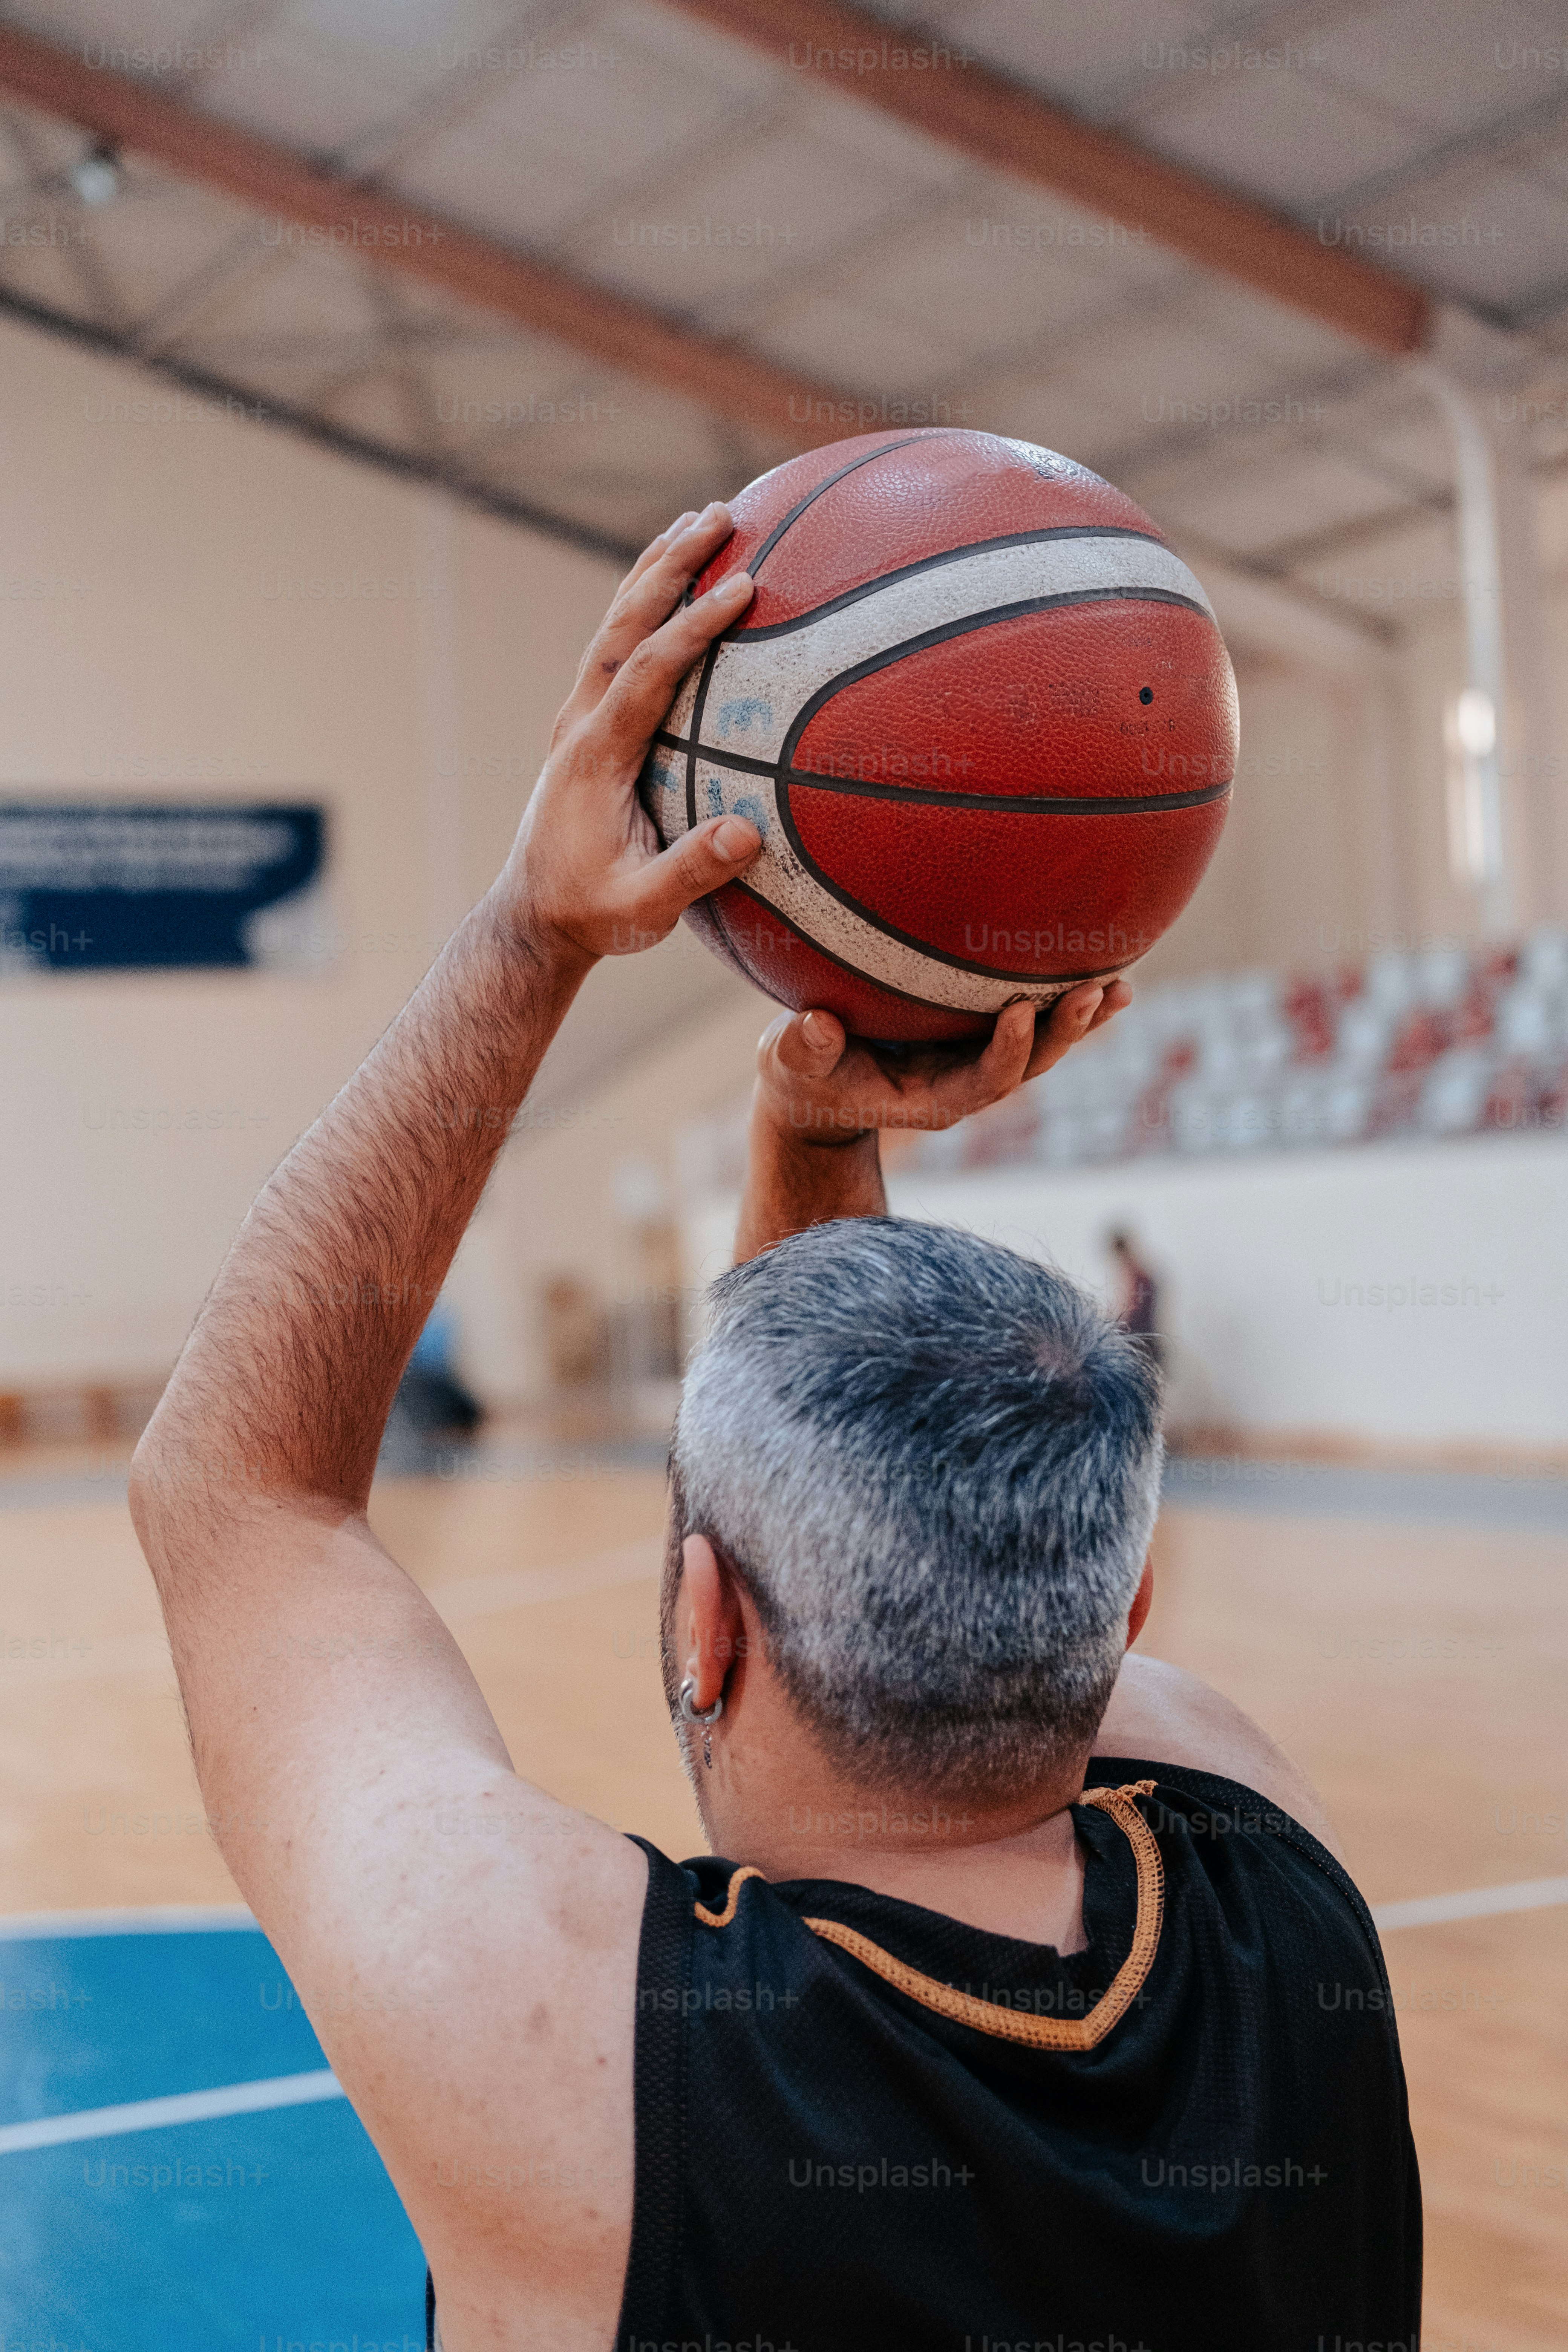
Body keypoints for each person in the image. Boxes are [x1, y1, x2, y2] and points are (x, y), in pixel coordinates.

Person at [130, 505, 1420, 2352]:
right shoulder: (1273, 1884)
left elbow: (233, 1496)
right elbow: (270, 1502)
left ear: (703, 1624)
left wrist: (528, 940)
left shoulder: (570, 2060)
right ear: (1120, 1617)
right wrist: (817, 1140)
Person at [1108, 1225, 1162, 1371]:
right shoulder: (1140, 1275)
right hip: (1142, 1342)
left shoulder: (1139, 1277)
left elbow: (1136, 1312)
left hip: (1140, 1346)